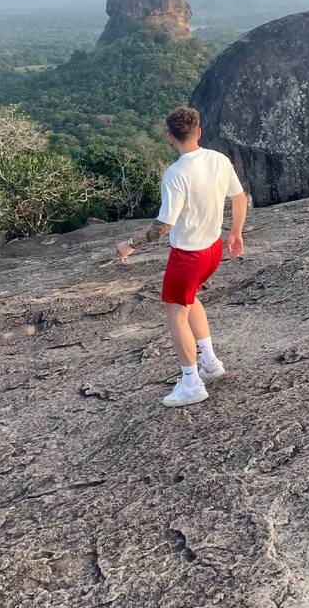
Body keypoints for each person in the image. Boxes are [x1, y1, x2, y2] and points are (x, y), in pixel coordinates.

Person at [116, 106, 248, 407]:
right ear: (198, 132)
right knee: (191, 300)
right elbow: (239, 197)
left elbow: (164, 225)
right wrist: (235, 233)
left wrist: (131, 245)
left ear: (169, 137)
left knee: (176, 316)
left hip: (188, 256)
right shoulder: (218, 160)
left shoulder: (175, 174)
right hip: (213, 250)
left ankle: (191, 383)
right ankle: (211, 363)